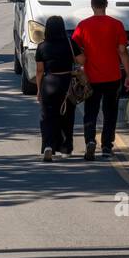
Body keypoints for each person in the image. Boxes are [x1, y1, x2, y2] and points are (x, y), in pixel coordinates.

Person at [72, 0, 129, 160]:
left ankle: (90, 140)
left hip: (91, 77)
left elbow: (74, 47)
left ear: (92, 5)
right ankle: (107, 146)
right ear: (106, 4)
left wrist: (80, 63)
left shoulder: (83, 26)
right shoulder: (117, 25)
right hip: (113, 76)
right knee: (110, 112)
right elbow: (122, 51)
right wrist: (128, 75)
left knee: (90, 111)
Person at [35, 15, 83, 163]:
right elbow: (82, 60)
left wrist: (38, 90)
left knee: (48, 116)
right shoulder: (70, 43)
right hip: (67, 83)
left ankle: (49, 145)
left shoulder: (42, 46)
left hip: (49, 82)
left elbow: (39, 71)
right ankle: (66, 149)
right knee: (67, 116)